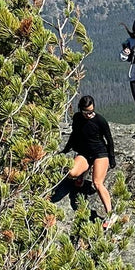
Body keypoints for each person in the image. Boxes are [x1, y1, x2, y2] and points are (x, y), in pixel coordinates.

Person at [53, 95, 117, 227]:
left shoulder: (100, 121)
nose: (90, 114)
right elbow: (74, 134)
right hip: (84, 153)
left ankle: (110, 215)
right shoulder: (77, 118)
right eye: (87, 112)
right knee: (71, 173)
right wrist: (66, 149)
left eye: (92, 111)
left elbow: (109, 140)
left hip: (100, 153)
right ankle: (82, 174)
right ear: (81, 110)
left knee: (97, 183)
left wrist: (111, 158)